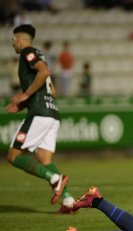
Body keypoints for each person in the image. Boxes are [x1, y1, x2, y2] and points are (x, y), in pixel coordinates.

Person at [6, 24, 74, 213]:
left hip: (40, 113)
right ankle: (68, 200)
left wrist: (25, 95)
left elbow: (44, 72)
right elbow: (52, 90)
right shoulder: (39, 54)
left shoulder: (27, 52)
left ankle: (54, 179)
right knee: (44, 159)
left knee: (13, 156)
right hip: (52, 113)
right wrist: (21, 104)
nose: (13, 44)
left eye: (13, 40)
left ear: (20, 39)